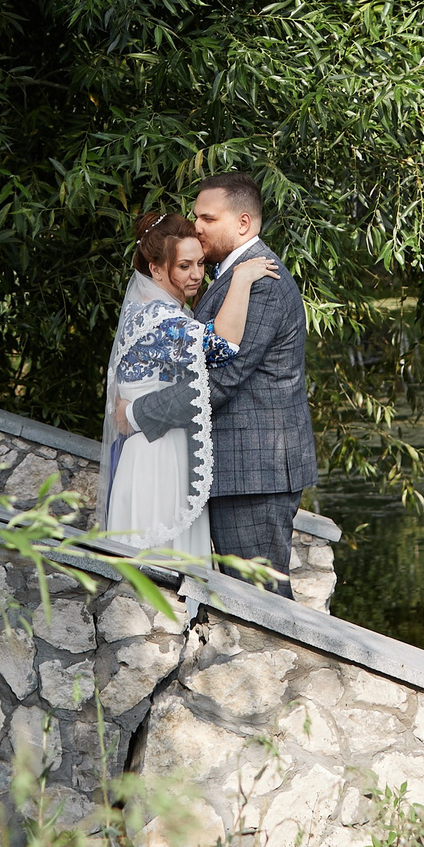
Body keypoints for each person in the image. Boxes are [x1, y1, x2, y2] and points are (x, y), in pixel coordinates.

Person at [135, 171, 317, 597]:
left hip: (254, 472)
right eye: (196, 216)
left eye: (207, 218)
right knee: (246, 604)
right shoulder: (233, 277)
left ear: (243, 223)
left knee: (263, 609)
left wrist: (140, 415)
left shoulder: (264, 283)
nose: (196, 226)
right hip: (241, 471)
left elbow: (223, 379)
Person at [98, 214, 276, 557]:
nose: (197, 274)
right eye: (184, 266)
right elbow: (222, 346)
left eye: (199, 263)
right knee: (162, 563)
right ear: (156, 269)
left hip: (161, 448)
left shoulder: (151, 309)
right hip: (156, 459)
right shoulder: (158, 319)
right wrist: (240, 280)